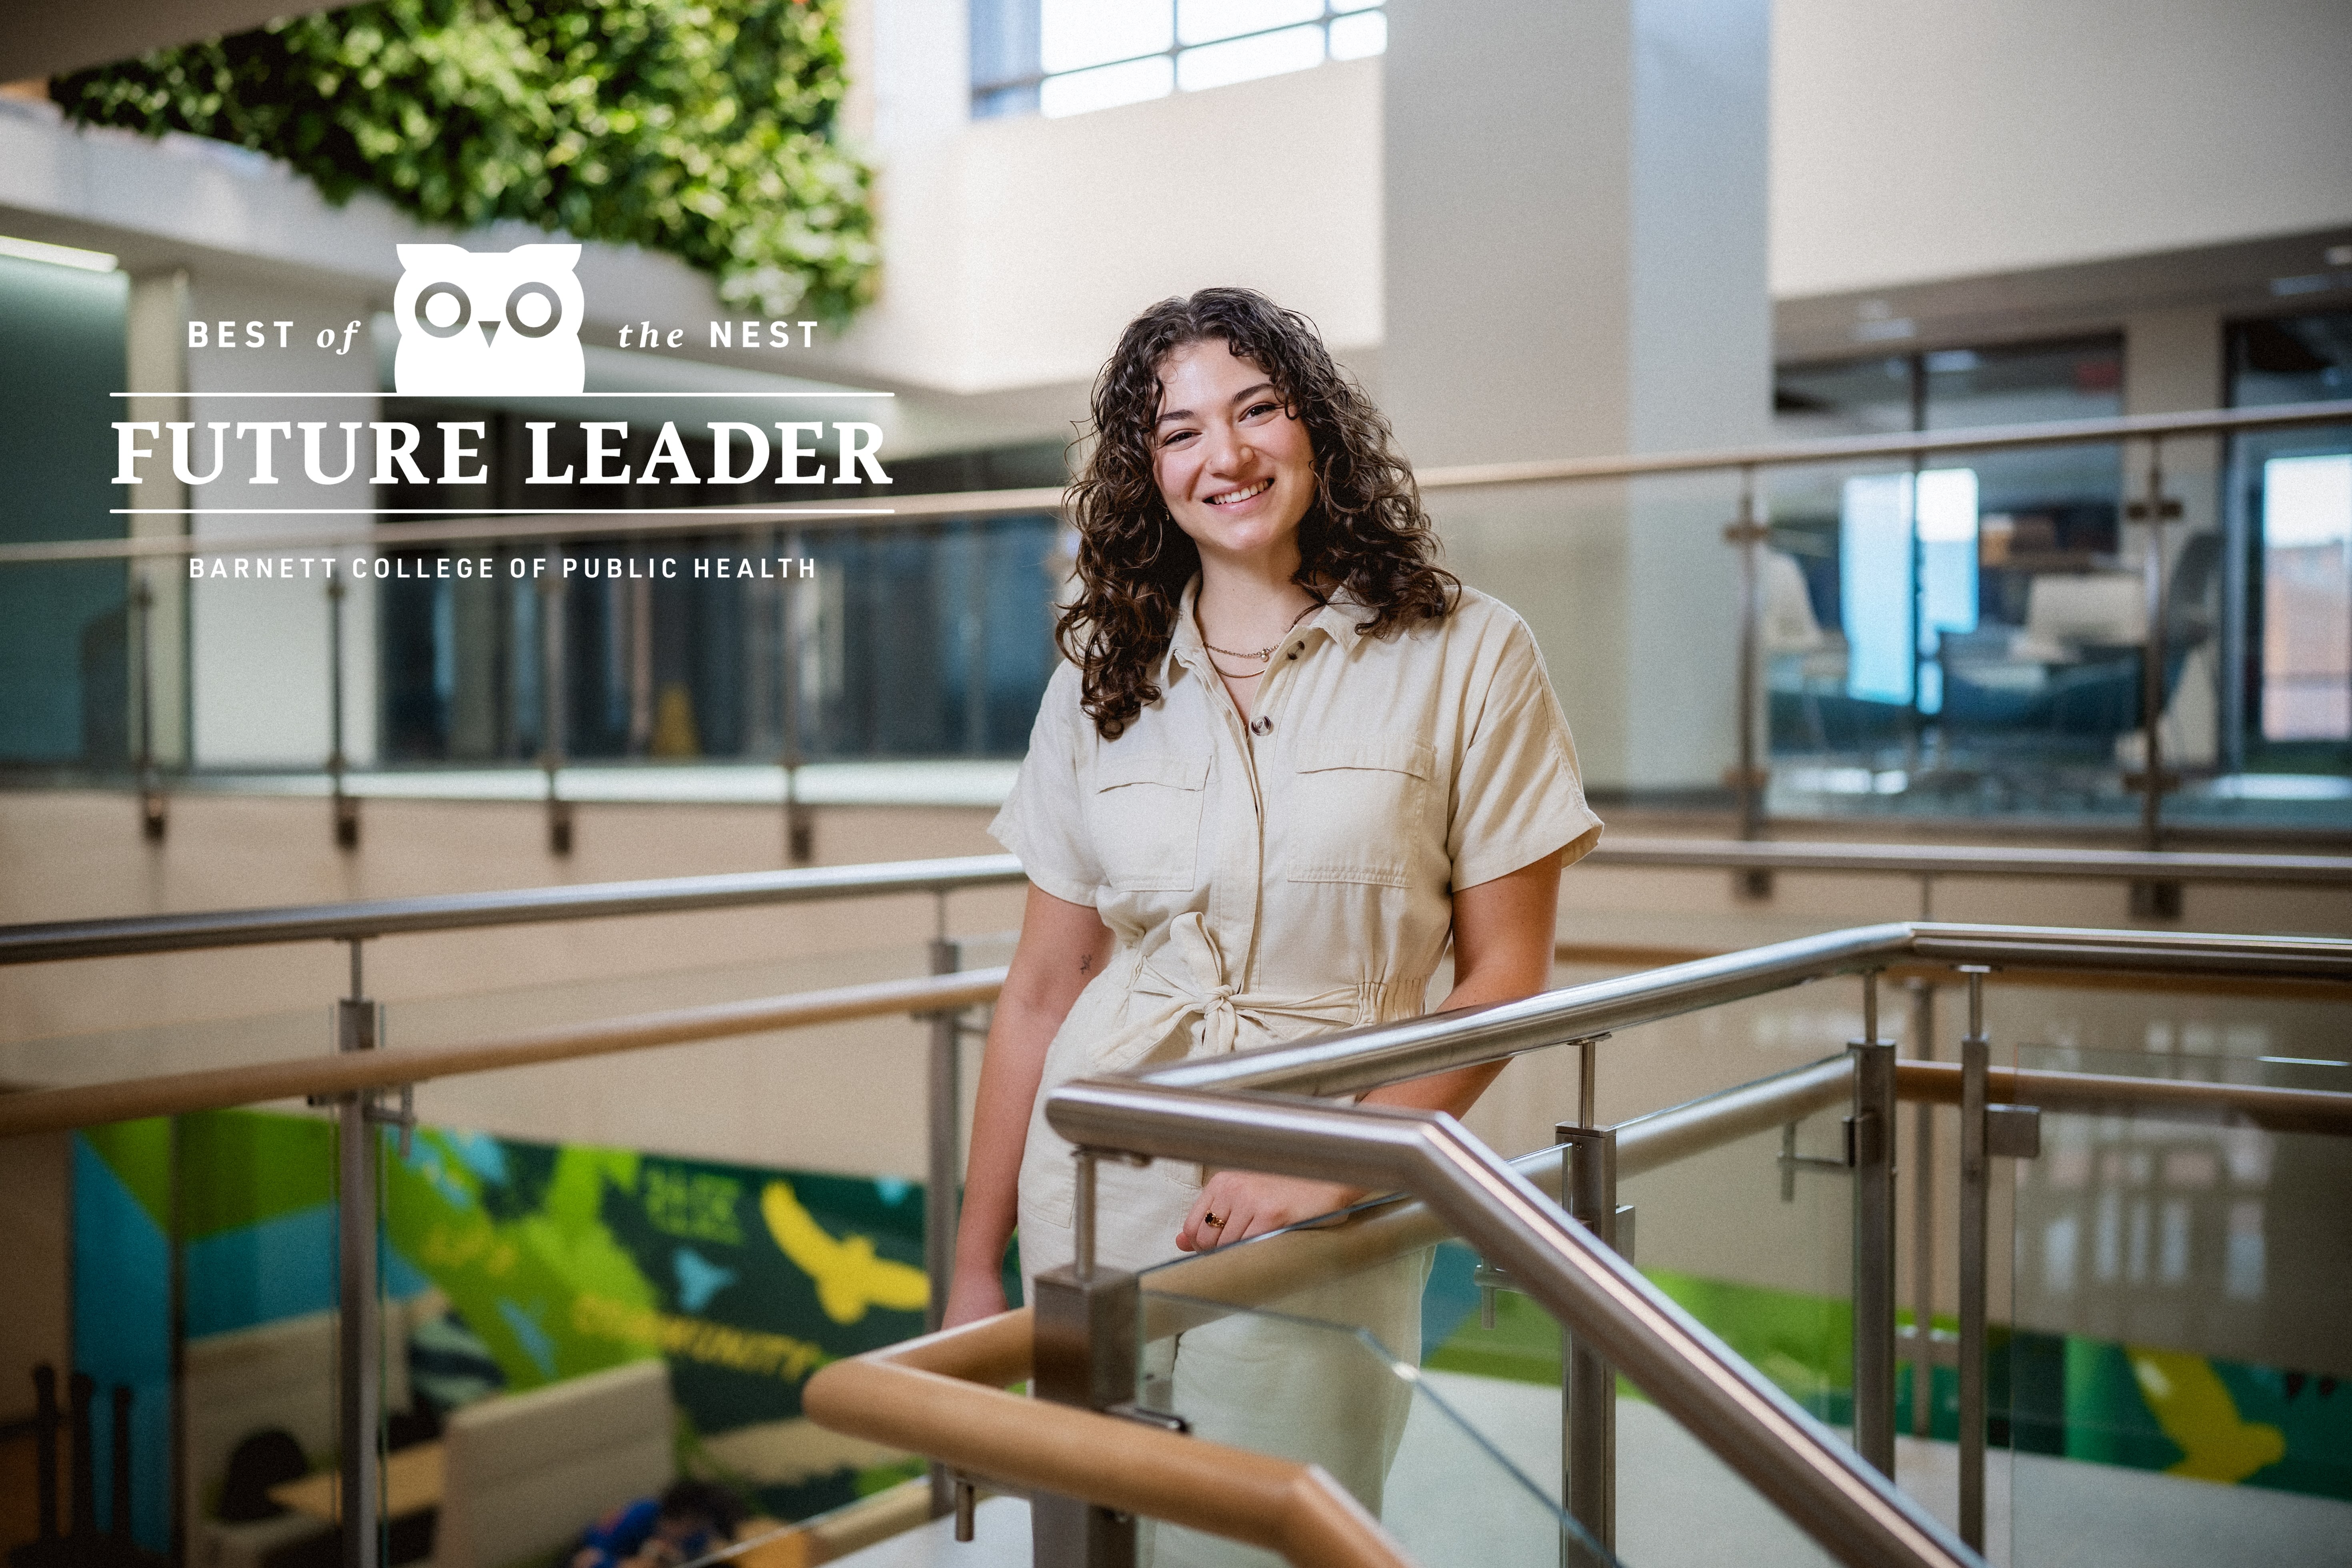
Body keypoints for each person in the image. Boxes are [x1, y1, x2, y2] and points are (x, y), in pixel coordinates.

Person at [943, 287, 1601, 1558]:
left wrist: (1333, 1160)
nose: (1225, 456)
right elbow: (1043, 986)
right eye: (1179, 432)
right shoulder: (1099, 683)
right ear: (1149, 476)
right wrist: (976, 1262)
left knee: (1274, 1538)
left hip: (1329, 1167)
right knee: (1090, 1530)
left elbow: (1507, 977)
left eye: (1256, 410)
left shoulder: (1472, 651)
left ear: (1320, 430)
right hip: (1098, 1164)